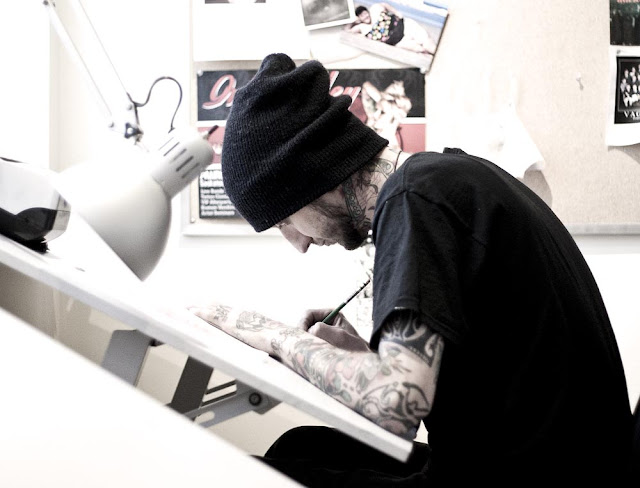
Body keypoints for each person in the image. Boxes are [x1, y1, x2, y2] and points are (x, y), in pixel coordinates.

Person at [188, 53, 633, 486]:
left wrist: (273, 335)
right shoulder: (450, 179)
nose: (299, 243)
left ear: (310, 177)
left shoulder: (414, 202)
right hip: (547, 465)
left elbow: (396, 408)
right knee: (301, 446)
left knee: (250, 476)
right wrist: (366, 360)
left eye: (284, 220)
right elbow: (462, 383)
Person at [346, 3, 436, 54]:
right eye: (362, 16)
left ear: (368, 11)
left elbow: (384, 4)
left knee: (427, 43)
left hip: (405, 26)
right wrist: (353, 21)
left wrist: (396, 12)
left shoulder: (375, 10)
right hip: (399, 42)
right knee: (422, 50)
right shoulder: (362, 28)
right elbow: (347, 32)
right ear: (359, 18)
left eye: (365, 13)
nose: (365, 16)